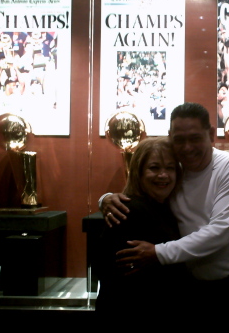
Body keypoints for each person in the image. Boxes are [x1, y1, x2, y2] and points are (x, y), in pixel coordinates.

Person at [100, 102, 229, 327]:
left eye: (195, 138)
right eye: (180, 139)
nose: (187, 147)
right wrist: (106, 198)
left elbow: (220, 232)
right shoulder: (176, 166)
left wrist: (157, 253)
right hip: (192, 290)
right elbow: (144, 184)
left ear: (211, 134)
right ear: (170, 137)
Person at [95, 136, 191, 326]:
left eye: (170, 168)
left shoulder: (166, 207)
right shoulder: (128, 211)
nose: (163, 175)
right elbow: (117, 274)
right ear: (138, 172)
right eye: (154, 168)